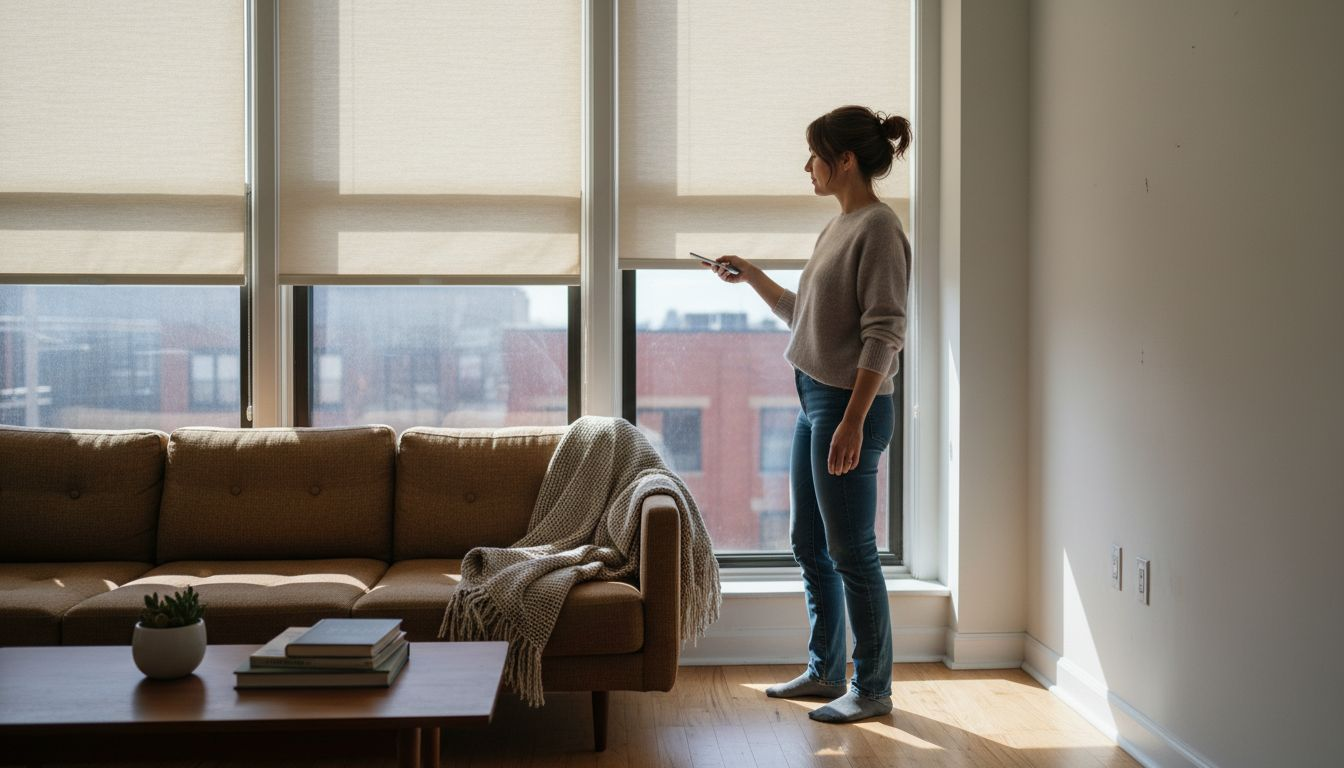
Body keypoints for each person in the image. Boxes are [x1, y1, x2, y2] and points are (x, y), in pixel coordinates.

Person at [704, 104, 912, 723]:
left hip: (849, 408)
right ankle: (826, 672)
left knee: (853, 551)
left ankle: (872, 689)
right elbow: (806, 315)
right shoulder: (838, 228)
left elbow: (884, 332)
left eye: (815, 155)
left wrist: (852, 419)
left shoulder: (878, 228)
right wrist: (753, 276)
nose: (808, 167)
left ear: (845, 160)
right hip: (812, 401)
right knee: (808, 542)